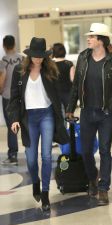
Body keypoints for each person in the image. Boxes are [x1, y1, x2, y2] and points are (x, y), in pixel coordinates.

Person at [66, 23, 112, 206]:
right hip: (86, 112)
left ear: (100, 40)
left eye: (92, 37)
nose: (88, 39)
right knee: (86, 151)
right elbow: (77, 84)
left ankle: (103, 188)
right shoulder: (83, 58)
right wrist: (70, 108)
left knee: (104, 151)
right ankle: (93, 178)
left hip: (105, 113)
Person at [7, 37, 69, 211]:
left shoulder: (50, 71)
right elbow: (14, 98)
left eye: (41, 55)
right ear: (29, 55)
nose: (38, 58)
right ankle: (35, 182)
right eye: (35, 55)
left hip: (47, 114)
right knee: (31, 158)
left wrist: (65, 114)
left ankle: (45, 193)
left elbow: (58, 96)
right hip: (28, 118)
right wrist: (14, 119)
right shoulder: (19, 71)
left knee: (47, 156)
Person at [0, 35, 23, 165]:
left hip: (8, 97)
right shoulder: (22, 58)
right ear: (14, 44)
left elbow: (3, 77)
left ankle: (13, 155)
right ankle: (29, 152)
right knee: (24, 125)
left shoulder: (3, 60)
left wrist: (1, 90)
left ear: (4, 45)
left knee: (11, 126)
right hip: (21, 96)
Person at [52, 43, 75, 112]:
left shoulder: (50, 64)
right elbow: (72, 79)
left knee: (59, 115)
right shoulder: (69, 63)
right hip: (68, 93)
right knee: (69, 114)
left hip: (55, 93)